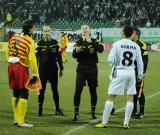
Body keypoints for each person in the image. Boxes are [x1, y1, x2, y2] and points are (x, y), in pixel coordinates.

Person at [95, 26, 143, 129]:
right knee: (130, 98)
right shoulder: (136, 46)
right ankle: (126, 123)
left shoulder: (117, 44)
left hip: (119, 71)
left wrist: (114, 65)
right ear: (132, 34)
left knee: (111, 97)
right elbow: (140, 62)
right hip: (131, 72)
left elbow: (110, 60)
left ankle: (104, 122)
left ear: (124, 33)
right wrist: (140, 74)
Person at [7, 20, 40, 127]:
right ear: (30, 29)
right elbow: (32, 58)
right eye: (33, 28)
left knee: (15, 93)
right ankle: (21, 121)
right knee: (24, 93)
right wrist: (36, 73)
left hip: (11, 66)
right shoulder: (29, 40)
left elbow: (8, 50)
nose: (34, 29)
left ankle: (16, 119)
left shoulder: (14, 36)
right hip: (21, 67)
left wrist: (10, 60)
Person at [72, 25, 104, 121]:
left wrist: (91, 42)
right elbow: (74, 55)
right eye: (83, 28)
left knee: (93, 91)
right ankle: (76, 113)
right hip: (81, 68)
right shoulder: (78, 42)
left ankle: (93, 112)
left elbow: (101, 49)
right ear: (81, 31)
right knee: (78, 91)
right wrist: (76, 51)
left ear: (90, 30)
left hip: (92, 69)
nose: (85, 30)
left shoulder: (95, 40)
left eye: (86, 28)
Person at [36, 25, 64, 117]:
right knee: (41, 89)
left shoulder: (55, 43)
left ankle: (57, 109)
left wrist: (61, 68)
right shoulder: (39, 44)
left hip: (53, 69)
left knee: (55, 89)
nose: (47, 33)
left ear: (50, 32)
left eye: (48, 31)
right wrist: (35, 71)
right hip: (42, 70)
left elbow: (59, 56)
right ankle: (40, 110)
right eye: (45, 31)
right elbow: (36, 58)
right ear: (42, 32)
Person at [131, 28, 149, 119]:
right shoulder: (129, 43)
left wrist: (142, 72)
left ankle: (141, 112)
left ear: (136, 35)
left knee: (139, 92)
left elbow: (145, 60)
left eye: (132, 33)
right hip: (130, 72)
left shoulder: (142, 45)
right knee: (132, 92)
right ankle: (133, 111)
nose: (131, 34)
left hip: (138, 72)